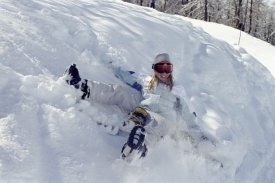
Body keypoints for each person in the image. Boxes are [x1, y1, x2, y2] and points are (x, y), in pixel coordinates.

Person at [63, 53, 207, 163]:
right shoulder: (147, 82)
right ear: (154, 69)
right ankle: (82, 88)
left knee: (154, 125)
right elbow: (126, 75)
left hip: (166, 122)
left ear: (171, 70)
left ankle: (137, 151)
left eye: (167, 68)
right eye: (160, 68)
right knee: (121, 93)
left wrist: (200, 140)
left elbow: (189, 117)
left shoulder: (178, 91)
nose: (163, 72)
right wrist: (110, 64)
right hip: (144, 111)